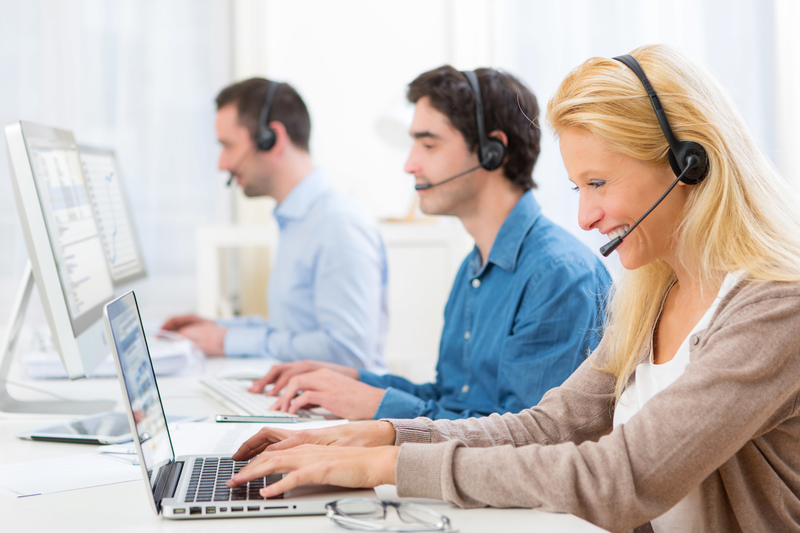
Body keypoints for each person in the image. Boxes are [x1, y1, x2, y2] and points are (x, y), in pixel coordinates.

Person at [223, 45, 800, 532]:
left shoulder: (775, 307)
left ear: (689, 163)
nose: (585, 217)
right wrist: (376, 437)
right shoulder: (650, 294)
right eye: (577, 186)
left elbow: (623, 477)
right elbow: (547, 425)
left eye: (598, 182)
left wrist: (388, 466)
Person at [249, 66, 611, 421]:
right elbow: (452, 398)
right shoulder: (475, 267)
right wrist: (353, 381)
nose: (410, 164)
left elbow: (520, 440)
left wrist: (378, 405)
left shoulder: (557, 275)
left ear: (492, 152)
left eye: (428, 144)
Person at [161, 78, 388, 372]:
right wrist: (218, 327)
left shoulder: (337, 225)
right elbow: (292, 329)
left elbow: (347, 353)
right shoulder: (301, 220)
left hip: (336, 411)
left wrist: (228, 340)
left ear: (272, 138)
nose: (222, 164)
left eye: (228, 146)